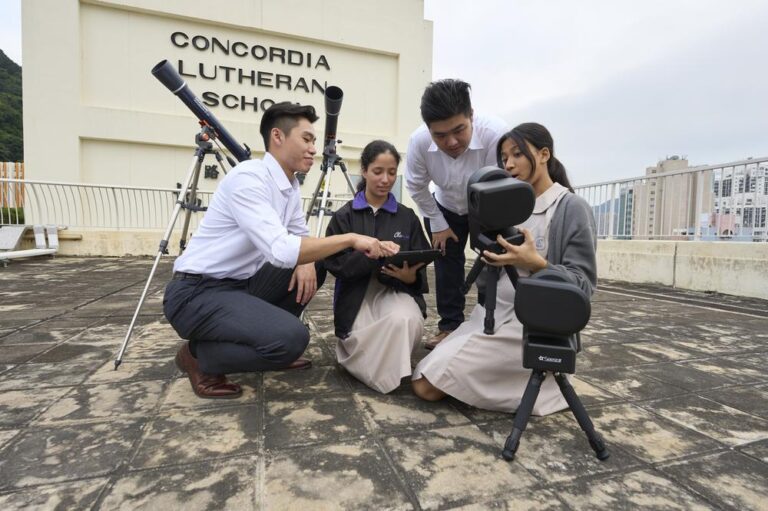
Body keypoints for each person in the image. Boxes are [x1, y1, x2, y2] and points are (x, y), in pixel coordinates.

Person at [163, 102, 399, 399]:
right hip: (196, 293)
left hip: (238, 287)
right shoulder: (249, 178)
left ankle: (267, 342)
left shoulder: (289, 187)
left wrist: (306, 262)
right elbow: (281, 250)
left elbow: (299, 237)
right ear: (278, 136)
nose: (313, 149)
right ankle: (198, 356)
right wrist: (351, 238)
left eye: (314, 141)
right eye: (307, 139)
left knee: (315, 263)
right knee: (292, 339)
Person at [412, 122, 597, 416]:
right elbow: (492, 278)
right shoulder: (509, 206)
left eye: (517, 154)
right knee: (423, 373)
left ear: (544, 154)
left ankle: (546, 389)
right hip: (491, 315)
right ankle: (525, 380)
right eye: (504, 158)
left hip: (532, 323)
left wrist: (535, 263)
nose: (508, 164)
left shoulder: (570, 207)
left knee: (427, 386)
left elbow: (582, 286)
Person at [405, 79, 508, 350]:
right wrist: (438, 223)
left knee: (493, 261)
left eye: (459, 130)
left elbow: (501, 183)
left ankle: (490, 323)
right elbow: (416, 186)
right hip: (444, 207)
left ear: (471, 115)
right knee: (446, 264)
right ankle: (449, 326)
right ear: (428, 129)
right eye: (439, 135)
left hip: (487, 205)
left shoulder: (496, 134)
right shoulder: (418, 141)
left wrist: (489, 226)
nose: (451, 142)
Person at [324, 140, 431, 393]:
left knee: (405, 319)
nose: (385, 179)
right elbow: (336, 264)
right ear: (364, 171)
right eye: (378, 171)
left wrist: (409, 277)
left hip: (394, 291)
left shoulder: (407, 217)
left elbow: (419, 266)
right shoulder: (344, 216)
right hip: (357, 296)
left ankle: (388, 370)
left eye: (392, 173)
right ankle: (371, 367)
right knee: (361, 337)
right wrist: (371, 253)